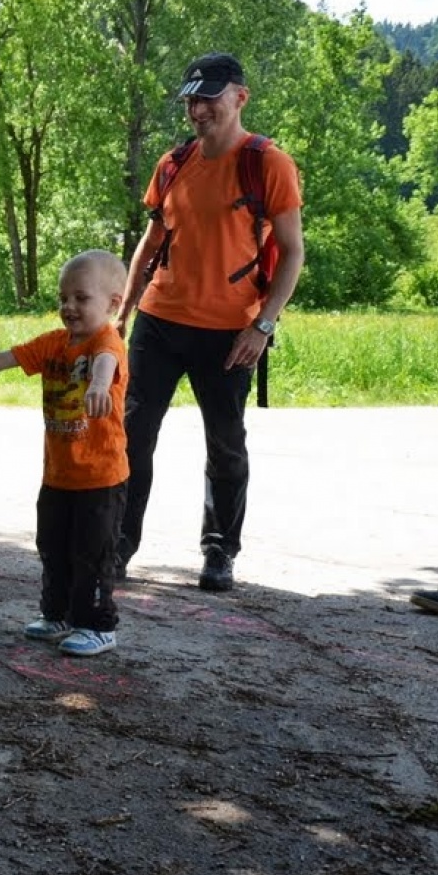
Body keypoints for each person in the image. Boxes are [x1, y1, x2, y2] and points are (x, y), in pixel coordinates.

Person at [115, 52, 305, 592]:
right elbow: (150, 244)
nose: (199, 110)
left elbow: (291, 253)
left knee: (224, 443)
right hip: (160, 320)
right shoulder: (173, 164)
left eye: (210, 98)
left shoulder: (267, 163)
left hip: (231, 332)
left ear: (239, 97)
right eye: (192, 100)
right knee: (131, 438)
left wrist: (262, 325)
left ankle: (219, 551)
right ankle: (118, 546)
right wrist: (124, 310)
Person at [0, 251, 130, 656]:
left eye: (81, 298)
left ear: (113, 304)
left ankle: (98, 626)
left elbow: (105, 364)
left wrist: (99, 387)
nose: (69, 306)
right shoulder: (53, 344)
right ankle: (58, 614)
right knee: (52, 546)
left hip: (101, 480)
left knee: (92, 555)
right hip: (58, 476)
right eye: (63, 298)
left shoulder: (107, 342)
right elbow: (0, 360)